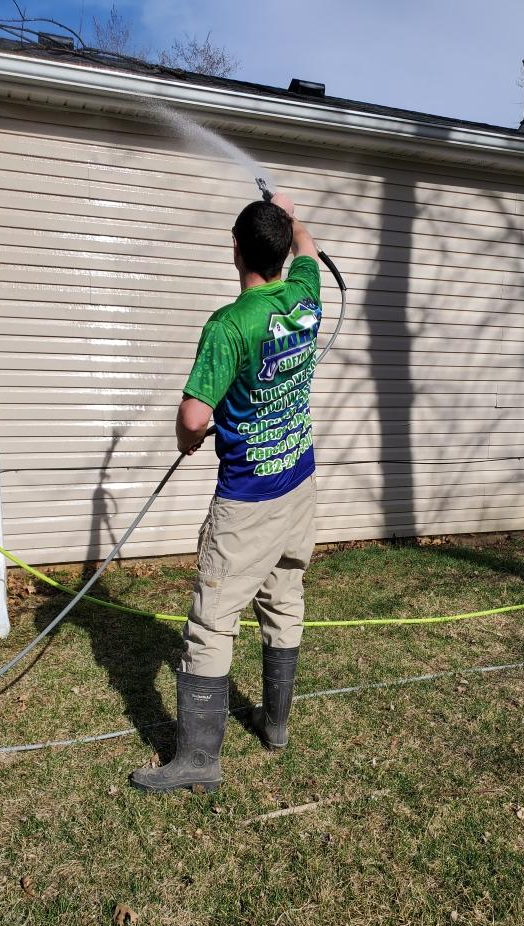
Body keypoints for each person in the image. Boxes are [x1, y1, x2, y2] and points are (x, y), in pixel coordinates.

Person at [130, 192, 322, 794]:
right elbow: (311, 251)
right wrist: (292, 215)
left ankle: (197, 762)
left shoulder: (229, 325)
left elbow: (193, 418)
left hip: (247, 503)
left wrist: (187, 439)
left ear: (235, 248)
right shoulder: (305, 295)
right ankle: (276, 726)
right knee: (284, 601)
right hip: (299, 486)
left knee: (213, 624)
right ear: (284, 248)